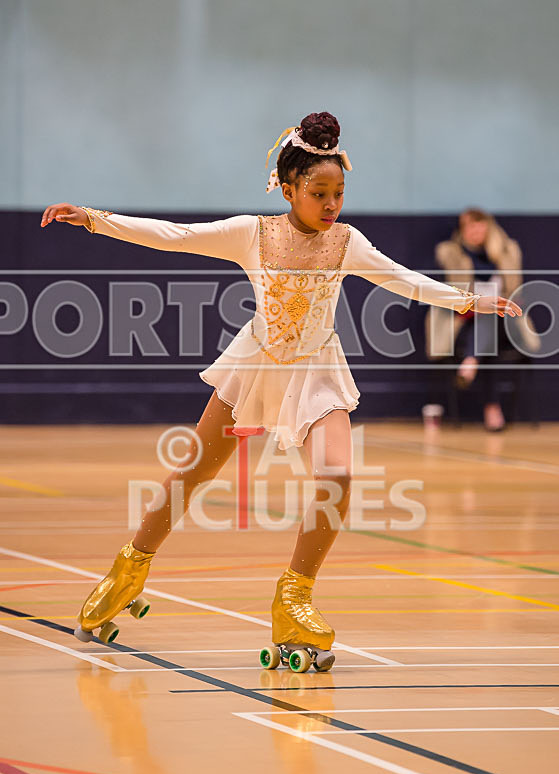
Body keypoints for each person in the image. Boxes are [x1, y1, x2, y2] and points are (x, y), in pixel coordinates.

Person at [41, 112, 521, 672]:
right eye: (319, 193)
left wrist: (470, 301)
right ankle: (124, 575)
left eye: (339, 192)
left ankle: (294, 598)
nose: (331, 203)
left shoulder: (346, 242)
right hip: (257, 364)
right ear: (288, 189)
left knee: (338, 474)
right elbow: (174, 237)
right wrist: (95, 220)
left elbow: (403, 279)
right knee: (193, 472)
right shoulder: (254, 233)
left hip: (318, 369)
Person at [425, 208, 539, 431]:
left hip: (507, 324)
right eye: (470, 226)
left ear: (488, 227)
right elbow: (454, 290)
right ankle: (492, 408)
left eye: (479, 225)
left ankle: (470, 362)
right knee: (488, 333)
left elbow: (515, 290)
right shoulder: (453, 253)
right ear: (462, 230)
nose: (475, 231)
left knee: (494, 313)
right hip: (466, 322)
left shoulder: (506, 252)